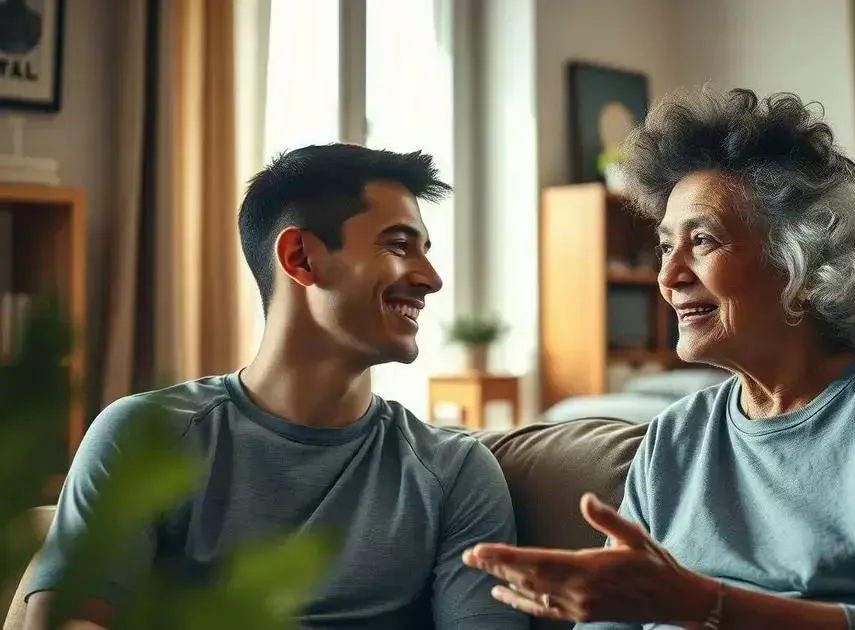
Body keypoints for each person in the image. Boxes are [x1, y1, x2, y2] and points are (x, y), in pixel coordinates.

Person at [462, 88, 855, 630]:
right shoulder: (675, 437)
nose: (669, 276)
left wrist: (704, 605)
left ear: (802, 262)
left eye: (702, 240)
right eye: (663, 246)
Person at [23, 144, 528, 630]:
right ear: (301, 258)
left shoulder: (456, 475)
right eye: (398, 245)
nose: (431, 278)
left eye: (425, 250)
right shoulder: (143, 436)